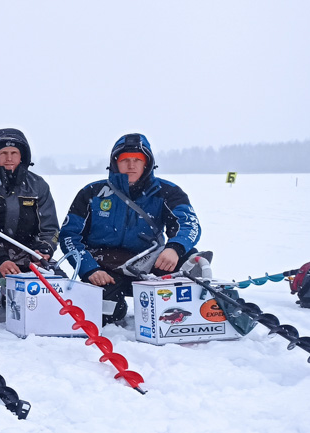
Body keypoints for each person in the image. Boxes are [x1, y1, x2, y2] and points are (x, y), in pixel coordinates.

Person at [59, 133, 203, 325]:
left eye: (138, 159)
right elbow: (69, 236)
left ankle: (187, 308)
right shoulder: (92, 193)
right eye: (125, 160)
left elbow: (189, 224)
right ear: (115, 162)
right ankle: (112, 302)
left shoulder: (168, 192)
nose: (131, 165)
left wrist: (175, 248)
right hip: (105, 269)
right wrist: (89, 269)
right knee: (107, 315)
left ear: (147, 163)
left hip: (150, 263)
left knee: (189, 260)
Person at [0, 128, 59, 322]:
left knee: (57, 277)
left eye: (14, 153)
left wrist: (44, 250)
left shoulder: (38, 186)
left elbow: (50, 227)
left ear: (22, 156)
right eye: (3, 153)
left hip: (28, 251)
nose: (9, 158)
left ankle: (31, 307)